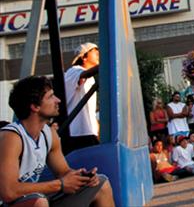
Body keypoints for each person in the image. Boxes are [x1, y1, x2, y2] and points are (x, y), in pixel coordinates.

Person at [0, 75, 115, 206]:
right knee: (39, 202)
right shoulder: (11, 137)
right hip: (12, 203)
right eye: (50, 97)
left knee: (101, 184)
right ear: (35, 107)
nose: (58, 100)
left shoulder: (49, 134)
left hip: (37, 198)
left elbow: (63, 172)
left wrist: (81, 178)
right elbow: (8, 192)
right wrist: (60, 185)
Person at [63, 42, 101, 153]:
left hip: (88, 131)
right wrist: (108, 62)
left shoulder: (91, 78)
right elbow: (82, 76)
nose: (98, 55)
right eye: (95, 52)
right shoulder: (74, 71)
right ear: (84, 57)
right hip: (77, 132)